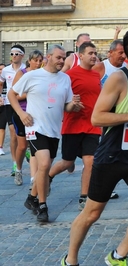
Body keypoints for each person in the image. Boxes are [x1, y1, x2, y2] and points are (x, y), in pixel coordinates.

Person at [60, 26, 128, 266]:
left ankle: (118, 256)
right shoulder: (119, 78)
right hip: (111, 156)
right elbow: (97, 118)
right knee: (92, 214)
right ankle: (70, 259)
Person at [8, 44, 83, 222]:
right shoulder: (33, 75)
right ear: (48, 57)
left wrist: (74, 105)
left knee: (46, 167)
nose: (61, 61)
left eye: (63, 58)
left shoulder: (65, 79)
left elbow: (66, 105)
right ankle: (42, 206)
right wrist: (21, 113)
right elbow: (12, 94)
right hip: (35, 127)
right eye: (58, 57)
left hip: (54, 129)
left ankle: (31, 198)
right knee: (43, 165)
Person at [48, 42, 102, 211]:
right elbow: (59, 95)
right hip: (73, 125)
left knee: (91, 162)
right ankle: (47, 177)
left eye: (95, 53)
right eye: (90, 53)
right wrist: (71, 104)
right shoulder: (69, 75)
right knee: (66, 162)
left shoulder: (96, 75)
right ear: (81, 56)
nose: (94, 56)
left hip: (92, 125)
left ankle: (84, 197)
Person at [11, 50, 44, 187]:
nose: (37, 63)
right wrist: (30, 93)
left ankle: (33, 179)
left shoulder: (43, 74)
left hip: (36, 114)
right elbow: (15, 95)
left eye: (40, 60)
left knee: (34, 147)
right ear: (29, 60)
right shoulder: (22, 73)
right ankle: (18, 169)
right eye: (35, 60)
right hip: (22, 113)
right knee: (23, 146)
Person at [0, 45, 26, 176]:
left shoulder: (25, 70)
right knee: (12, 132)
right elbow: (1, 83)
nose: (14, 56)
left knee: (23, 131)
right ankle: (15, 162)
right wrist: (1, 96)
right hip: (10, 103)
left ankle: (24, 148)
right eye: (12, 53)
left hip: (23, 102)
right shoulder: (5, 70)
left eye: (17, 53)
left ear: (22, 55)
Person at [0, 63, 7, 155]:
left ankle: (0, 146)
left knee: (2, 127)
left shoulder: (9, 80)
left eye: (3, 69)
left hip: (5, 106)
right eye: (0, 69)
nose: (1, 71)